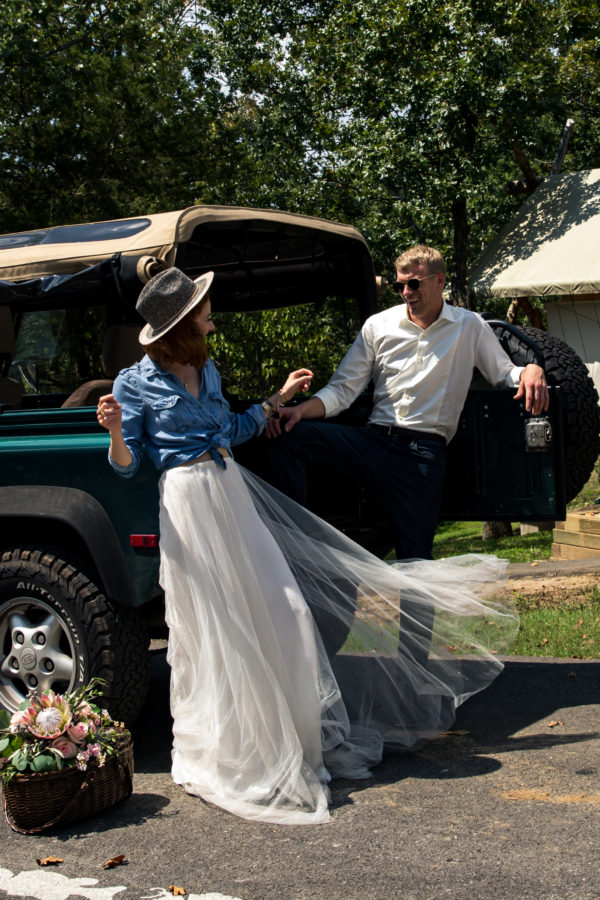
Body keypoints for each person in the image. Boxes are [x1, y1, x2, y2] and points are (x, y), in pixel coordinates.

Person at [97, 265, 519, 826]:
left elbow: (236, 429)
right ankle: (232, 752)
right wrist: (116, 433)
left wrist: (280, 399)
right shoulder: (133, 384)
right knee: (218, 630)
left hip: (229, 492)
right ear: (182, 325)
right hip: (189, 505)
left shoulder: (208, 369)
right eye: (204, 312)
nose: (212, 317)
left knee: (287, 611)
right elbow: (126, 470)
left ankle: (296, 741)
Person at [266, 245, 548, 664]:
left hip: (422, 455)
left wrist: (532, 369)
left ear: (439, 281)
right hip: (374, 441)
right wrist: (299, 411)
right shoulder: (378, 326)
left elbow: (502, 373)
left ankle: (413, 674)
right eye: (399, 284)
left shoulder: (468, 326)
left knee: (416, 567)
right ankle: (294, 539)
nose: (405, 291)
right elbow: (344, 389)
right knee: (293, 436)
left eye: (413, 283)